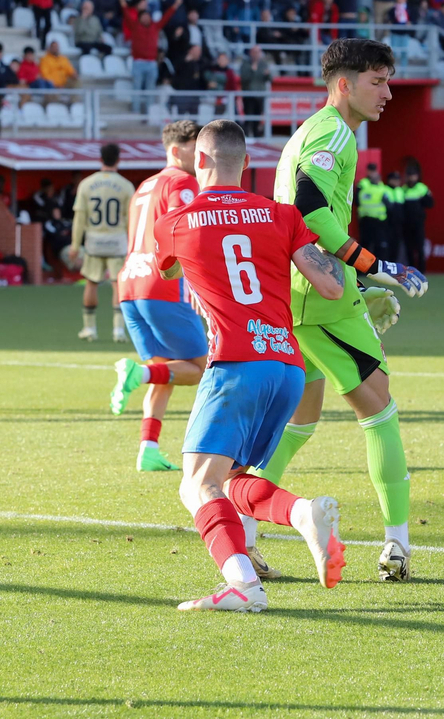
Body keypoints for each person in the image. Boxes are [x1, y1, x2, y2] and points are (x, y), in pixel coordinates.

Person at [154, 119, 349, 613]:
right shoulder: (282, 215)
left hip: (235, 363)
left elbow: (170, 269)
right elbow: (332, 286)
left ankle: (242, 584)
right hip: (286, 366)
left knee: (196, 485)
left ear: (199, 160)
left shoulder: (177, 221)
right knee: (230, 479)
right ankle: (301, 513)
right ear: (246, 163)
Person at [255, 39, 427, 583]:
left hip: (297, 292)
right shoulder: (333, 132)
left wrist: (356, 277)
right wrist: (372, 265)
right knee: (380, 410)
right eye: (378, 81)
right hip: (320, 299)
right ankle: (397, 545)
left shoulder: (311, 131)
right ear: (344, 84)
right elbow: (308, 208)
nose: (388, 93)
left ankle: (246, 533)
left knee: (300, 420)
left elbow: (305, 213)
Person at [108, 121, 207, 473]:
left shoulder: (145, 185)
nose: (202, 155)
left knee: (163, 371)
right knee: (198, 370)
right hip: (162, 283)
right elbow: (187, 232)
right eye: (196, 148)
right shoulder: (182, 182)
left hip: (130, 284)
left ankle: (148, 449)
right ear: (176, 150)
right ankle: (137, 374)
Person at [69, 143, 135, 343]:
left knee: (91, 283)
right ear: (118, 160)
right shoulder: (126, 185)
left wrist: (75, 245)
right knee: (118, 285)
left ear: (100, 159)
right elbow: (131, 220)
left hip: (94, 242)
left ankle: (89, 329)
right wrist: (133, 245)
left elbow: (79, 218)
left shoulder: (86, 184)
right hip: (117, 242)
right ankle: (118, 330)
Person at [401, 160, 434, 272]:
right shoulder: (403, 190)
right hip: (406, 224)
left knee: (420, 248)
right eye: (409, 175)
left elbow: (430, 203)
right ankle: (411, 271)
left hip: (418, 223)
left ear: (417, 176)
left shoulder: (422, 188)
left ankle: (422, 270)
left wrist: (423, 198)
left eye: (413, 175)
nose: (411, 178)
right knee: (409, 248)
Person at [355, 161, 387, 259]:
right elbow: (356, 200)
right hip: (365, 218)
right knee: (365, 243)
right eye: (371, 170)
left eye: (374, 170)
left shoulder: (380, 184)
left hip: (378, 219)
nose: (372, 173)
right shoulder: (363, 183)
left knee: (378, 244)